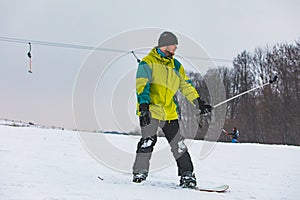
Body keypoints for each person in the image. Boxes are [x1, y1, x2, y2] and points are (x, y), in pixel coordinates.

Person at [132, 31, 212, 188]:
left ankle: (187, 175)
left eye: (176, 46)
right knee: (148, 140)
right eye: (173, 46)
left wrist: (197, 102)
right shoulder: (147, 63)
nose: (175, 49)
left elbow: (185, 85)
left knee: (178, 144)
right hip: (150, 109)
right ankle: (140, 171)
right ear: (164, 45)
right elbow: (142, 85)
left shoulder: (176, 66)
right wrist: (143, 106)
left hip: (169, 111)